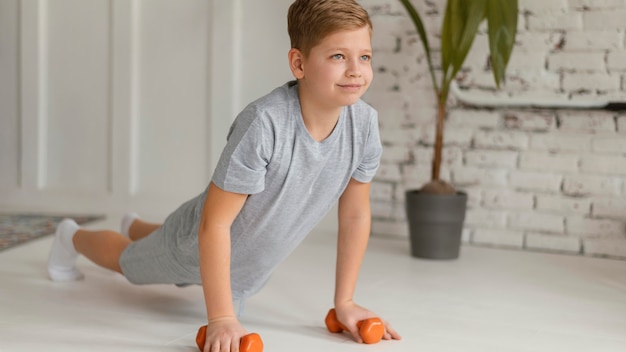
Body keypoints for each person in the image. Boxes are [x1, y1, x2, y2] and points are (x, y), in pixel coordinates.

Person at [47, 0, 401, 350]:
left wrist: (346, 301)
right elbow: (213, 225)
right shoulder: (265, 124)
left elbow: (355, 215)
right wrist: (220, 318)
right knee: (129, 263)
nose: (356, 70)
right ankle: (71, 237)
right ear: (299, 63)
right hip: (198, 245)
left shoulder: (364, 124)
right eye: (338, 56)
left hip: (245, 260)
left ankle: (136, 225)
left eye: (365, 56)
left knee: (170, 232)